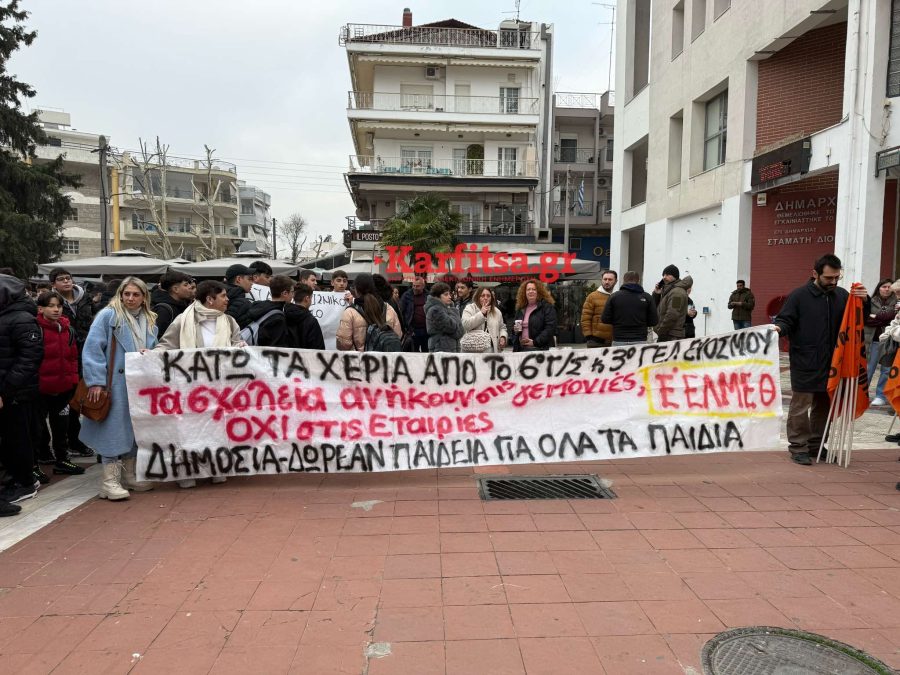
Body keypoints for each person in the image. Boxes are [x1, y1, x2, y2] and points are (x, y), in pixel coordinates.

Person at [772, 254, 868, 466]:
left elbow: (859, 319)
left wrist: (865, 301)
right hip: (805, 360)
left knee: (824, 406)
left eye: (837, 277)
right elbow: (785, 319)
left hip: (834, 363)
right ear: (815, 274)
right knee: (800, 406)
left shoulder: (842, 295)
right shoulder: (799, 296)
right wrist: (779, 328)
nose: (833, 282)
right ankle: (799, 447)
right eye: (828, 278)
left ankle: (816, 444)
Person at [156, 280, 243, 488]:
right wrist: (149, 355)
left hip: (219, 388)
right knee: (189, 429)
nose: (227, 300)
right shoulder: (183, 320)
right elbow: (166, 345)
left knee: (216, 428)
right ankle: (187, 470)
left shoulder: (229, 321)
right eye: (223, 296)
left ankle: (215, 466)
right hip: (189, 388)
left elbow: (236, 344)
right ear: (210, 299)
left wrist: (240, 347)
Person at [79, 277, 158, 500]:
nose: (130, 298)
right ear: (120, 294)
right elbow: (92, 348)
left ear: (144, 297)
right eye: (126, 294)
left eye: (135, 294)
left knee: (135, 428)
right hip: (113, 383)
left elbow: (154, 346)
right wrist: (96, 381)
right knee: (112, 430)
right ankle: (109, 481)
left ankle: (129, 475)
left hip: (138, 383)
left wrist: (150, 354)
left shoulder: (149, 319)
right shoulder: (108, 315)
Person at [0, 274, 43, 512]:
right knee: (10, 440)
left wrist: (6, 388)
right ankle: (15, 479)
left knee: (17, 439)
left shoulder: (21, 319)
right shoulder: (7, 316)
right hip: (9, 391)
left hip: (17, 393)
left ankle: (24, 482)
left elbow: (30, 358)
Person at [34, 291, 84, 477]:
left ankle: (62, 460)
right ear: (40, 309)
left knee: (61, 426)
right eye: (51, 306)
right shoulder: (35, 329)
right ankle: (35, 464)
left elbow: (73, 358)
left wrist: (73, 381)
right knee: (37, 428)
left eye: (59, 306)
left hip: (63, 389)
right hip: (40, 390)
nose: (56, 309)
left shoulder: (68, 330)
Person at [49, 268, 94, 457]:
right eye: (61, 279)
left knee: (80, 398)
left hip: (86, 352)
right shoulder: (52, 302)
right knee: (66, 402)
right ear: (54, 284)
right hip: (64, 355)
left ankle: (76, 440)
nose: (66, 281)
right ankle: (68, 441)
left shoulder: (85, 298)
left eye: (68, 278)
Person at [336, 273, 402, 351]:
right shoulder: (388, 308)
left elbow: (343, 344)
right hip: (384, 357)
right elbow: (398, 335)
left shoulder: (350, 312)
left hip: (360, 358)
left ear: (356, 290)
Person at [601, 270, 659, 346]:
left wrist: (618, 321)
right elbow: (654, 321)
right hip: (640, 339)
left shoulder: (614, 296)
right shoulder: (647, 297)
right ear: (638, 281)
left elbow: (605, 319)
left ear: (623, 281)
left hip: (619, 339)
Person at [865, 278, 898, 405]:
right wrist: (884, 319)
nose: (887, 289)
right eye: (884, 286)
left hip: (889, 342)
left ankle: (881, 396)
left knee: (886, 370)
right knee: (869, 368)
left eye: (889, 287)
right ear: (879, 288)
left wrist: (875, 317)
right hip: (872, 341)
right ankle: (862, 393)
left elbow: (892, 317)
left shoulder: (897, 302)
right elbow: (866, 319)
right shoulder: (870, 301)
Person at [244, 275, 293, 347]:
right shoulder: (278, 318)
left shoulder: (259, 307)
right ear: (285, 293)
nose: (293, 295)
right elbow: (276, 348)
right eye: (292, 292)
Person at [512, 279, 558, 352]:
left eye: (534, 289)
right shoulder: (520, 309)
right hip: (522, 349)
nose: (531, 291)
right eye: (528, 289)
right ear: (524, 293)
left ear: (539, 292)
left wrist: (535, 342)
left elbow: (550, 328)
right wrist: (515, 331)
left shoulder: (547, 307)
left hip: (541, 350)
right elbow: (514, 331)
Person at [654, 265, 693, 342]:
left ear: (675, 276)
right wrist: (657, 293)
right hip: (667, 334)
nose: (664, 277)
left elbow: (673, 313)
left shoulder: (677, 293)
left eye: (667, 275)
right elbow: (655, 306)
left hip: (671, 336)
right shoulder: (669, 290)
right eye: (663, 275)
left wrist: (661, 330)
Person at [150, 269, 195, 337]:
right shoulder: (164, 310)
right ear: (175, 289)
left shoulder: (182, 305)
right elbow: (158, 337)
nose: (190, 287)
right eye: (186, 285)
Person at [462, 287, 508, 352]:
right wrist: (481, 314)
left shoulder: (497, 312)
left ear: (491, 298)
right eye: (482, 296)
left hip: (492, 351)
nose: (485, 298)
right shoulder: (470, 308)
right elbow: (466, 325)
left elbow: (502, 328)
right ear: (478, 297)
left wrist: (503, 337)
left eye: (488, 296)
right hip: (474, 351)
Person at [581, 270, 617, 348]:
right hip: (596, 341)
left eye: (610, 279)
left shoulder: (617, 296)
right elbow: (585, 318)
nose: (607, 282)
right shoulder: (592, 296)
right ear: (601, 280)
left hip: (614, 342)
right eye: (605, 279)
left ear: (616, 281)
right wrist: (588, 336)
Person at [426, 282, 464, 353]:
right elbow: (452, 327)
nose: (450, 297)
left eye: (449, 294)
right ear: (437, 297)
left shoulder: (447, 308)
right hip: (440, 348)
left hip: (450, 348)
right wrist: (453, 311)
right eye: (446, 294)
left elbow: (461, 331)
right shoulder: (435, 310)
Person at [286, 285, 326, 349]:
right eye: (311, 298)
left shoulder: (284, 315)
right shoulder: (311, 321)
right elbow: (317, 348)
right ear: (307, 298)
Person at [399, 275, 429, 352]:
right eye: (414, 285)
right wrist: (406, 328)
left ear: (423, 286)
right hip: (413, 330)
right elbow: (401, 312)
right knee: (413, 352)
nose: (415, 288)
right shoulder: (406, 295)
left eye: (417, 286)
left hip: (426, 330)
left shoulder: (428, 295)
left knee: (426, 352)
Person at [223, 263, 254, 329]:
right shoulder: (243, 303)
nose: (252, 283)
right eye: (249, 279)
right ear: (238, 279)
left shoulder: (216, 295)